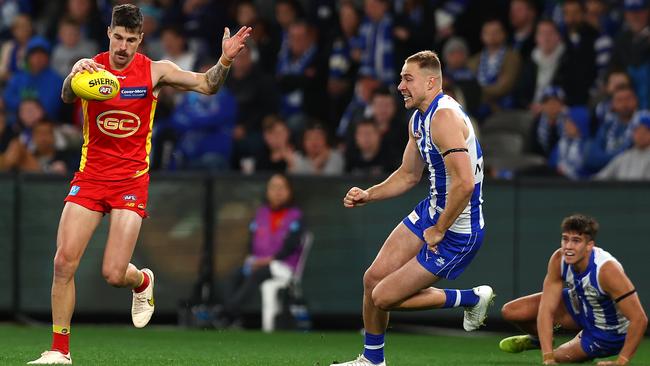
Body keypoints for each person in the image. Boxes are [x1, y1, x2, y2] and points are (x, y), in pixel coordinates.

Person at [28, 4, 251, 365]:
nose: (123, 46)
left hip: (130, 181)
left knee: (114, 274)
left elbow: (206, 85)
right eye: (118, 37)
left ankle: (141, 282)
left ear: (140, 40)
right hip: (90, 177)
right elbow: (68, 96)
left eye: (131, 40)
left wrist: (224, 61)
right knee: (63, 263)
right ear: (109, 34)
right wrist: (73, 76)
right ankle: (59, 350)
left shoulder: (155, 71)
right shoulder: (90, 66)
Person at [332, 50, 493, 366]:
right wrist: (369, 194)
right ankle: (372, 360)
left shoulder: (444, 118)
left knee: (383, 296)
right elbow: (408, 175)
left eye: (408, 78)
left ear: (431, 82)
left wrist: (440, 228)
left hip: (458, 232)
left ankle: (471, 297)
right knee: (371, 279)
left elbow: (465, 184)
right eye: (401, 78)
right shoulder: (419, 118)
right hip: (433, 212)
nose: (400, 86)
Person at [500, 214, 647, 365]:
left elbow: (639, 319)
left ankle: (581, 346)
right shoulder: (559, 259)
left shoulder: (607, 271)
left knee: (559, 357)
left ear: (589, 245)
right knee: (511, 311)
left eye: (576, 241)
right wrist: (547, 357)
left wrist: (620, 362)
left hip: (607, 331)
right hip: (580, 306)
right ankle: (540, 339)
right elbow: (546, 310)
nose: (568, 246)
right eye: (565, 239)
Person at [218, 173, 305, 327]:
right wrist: (253, 260)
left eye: (282, 188)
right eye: (273, 188)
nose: (277, 192)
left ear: (289, 191)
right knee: (232, 276)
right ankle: (232, 316)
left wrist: (268, 260)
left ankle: (226, 314)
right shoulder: (261, 213)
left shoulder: (295, 215)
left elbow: (291, 246)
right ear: (267, 191)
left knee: (257, 274)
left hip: (283, 266)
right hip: (258, 263)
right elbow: (251, 243)